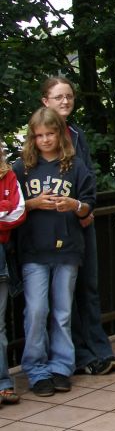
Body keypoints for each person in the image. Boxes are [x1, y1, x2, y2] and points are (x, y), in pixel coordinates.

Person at [41, 77, 115, 376]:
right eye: (58, 97)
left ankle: (100, 349)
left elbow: (87, 176)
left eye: (69, 96)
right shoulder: (39, 135)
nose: (65, 101)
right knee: (65, 295)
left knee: (89, 286)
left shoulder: (77, 134)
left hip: (81, 218)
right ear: (45, 101)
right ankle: (79, 355)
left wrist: (86, 207)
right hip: (52, 227)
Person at [13, 108, 96, 397]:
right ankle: (36, 369)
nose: (45, 140)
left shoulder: (75, 166)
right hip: (34, 250)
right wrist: (33, 203)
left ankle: (61, 366)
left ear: (60, 134)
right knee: (37, 311)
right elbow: (11, 208)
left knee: (62, 312)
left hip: (67, 249)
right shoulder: (21, 168)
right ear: (32, 138)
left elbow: (88, 207)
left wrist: (74, 205)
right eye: (39, 135)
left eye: (50, 134)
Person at [0, 142, 26, 404]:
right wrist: (3, 206)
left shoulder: (8, 175)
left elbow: (17, 213)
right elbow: (7, 210)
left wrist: (7, 206)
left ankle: (2, 384)